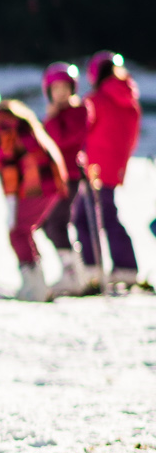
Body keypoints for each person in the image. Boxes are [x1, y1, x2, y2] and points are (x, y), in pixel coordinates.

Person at [0, 88, 68, 302]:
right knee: (22, 230)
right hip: (45, 178)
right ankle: (36, 282)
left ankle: (34, 286)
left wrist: (10, 199)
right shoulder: (4, 118)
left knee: (17, 231)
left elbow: (9, 165)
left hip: (38, 181)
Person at [39, 63, 98, 296]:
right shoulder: (57, 114)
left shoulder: (79, 111)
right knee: (45, 223)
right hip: (54, 176)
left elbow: (61, 140)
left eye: (65, 87)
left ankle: (73, 274)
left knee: (57, 222)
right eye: (56, 88)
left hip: (70, 176)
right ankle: (71, 268)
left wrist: (52, 119)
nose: (61, 92)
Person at [85, 51, 142, 287]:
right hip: (114, 165)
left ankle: (95, 266)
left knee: (87, 215)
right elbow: (132, 135)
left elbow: (84, 130)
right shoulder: (129, 99)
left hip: (93, 165)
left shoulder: (96, 99)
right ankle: (122, 265)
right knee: (107, 213)